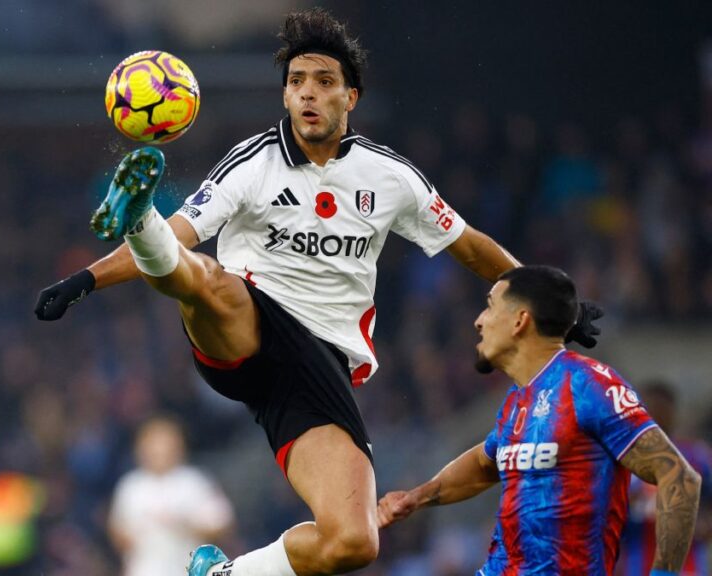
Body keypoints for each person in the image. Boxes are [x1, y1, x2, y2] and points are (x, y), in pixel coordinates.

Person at [36, 9, 601, 576]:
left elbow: (471, 246)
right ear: (284, 95)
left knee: (353, 543)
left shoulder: (390, 178)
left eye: (324, 82)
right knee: (206, 279)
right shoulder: (251, 164)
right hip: (248, 326)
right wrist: (86, 279)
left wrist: (555, 309)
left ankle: (223, 574)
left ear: (350, 97)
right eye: (296, 82)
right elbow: (186, 236)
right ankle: (139, 220)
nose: (308, 94)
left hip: (319, 369)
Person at [376, 266, 702, 575]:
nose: (478, 321)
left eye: (490, 307)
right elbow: (485, 461)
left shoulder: (588, 384)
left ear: (520, 321)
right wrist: (415, 497)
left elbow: (680, 477)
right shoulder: (518, 399)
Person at [108, 416, 234, 576]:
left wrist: (184, 525)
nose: (159, 451)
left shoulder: (195, 482)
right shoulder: (131, 486)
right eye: (153, 444)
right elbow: (117, 531)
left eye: (165, 443)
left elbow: (222, 524)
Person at [618, 381, 712, 576]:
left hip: (688, 568)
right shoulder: (624, 459)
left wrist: (704, 524)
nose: (658, 416)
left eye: (663, 409)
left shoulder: (697, 456)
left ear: (673, 413)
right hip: (635, 566)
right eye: (651, 409)